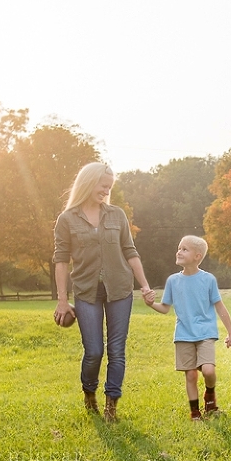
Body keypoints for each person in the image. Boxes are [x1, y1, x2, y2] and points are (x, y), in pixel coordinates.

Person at [53, 162, 153, 422]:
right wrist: (62, 301)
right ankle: (89, 393)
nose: (107, 190)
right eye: (103, 185)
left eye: (109, 186)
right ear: (88, 182)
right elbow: (61, 260)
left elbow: (130, 251)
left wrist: (144, 284)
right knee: (94, 350)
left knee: (117, 350)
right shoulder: (66, 220)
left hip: (120, 289)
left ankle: (111, 407)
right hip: (86, 292)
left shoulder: (117, 215)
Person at [144, 235, 231, 421]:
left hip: (205, 333)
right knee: (191, 375)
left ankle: (210, 398)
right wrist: (150, 304)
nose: (179, 251)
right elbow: (165, 308)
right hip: (183, 334)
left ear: (197, 256)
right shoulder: (172, 281)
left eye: (184, 249)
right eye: (179, 248)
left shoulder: (208, 279)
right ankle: (195, 413)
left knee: (209, 371)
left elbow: (220, 307)